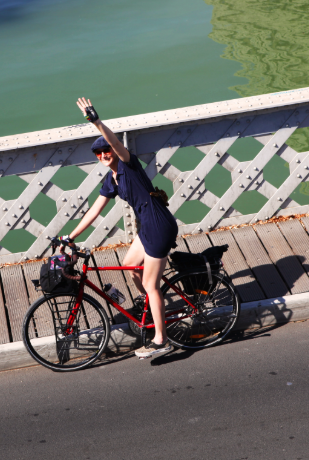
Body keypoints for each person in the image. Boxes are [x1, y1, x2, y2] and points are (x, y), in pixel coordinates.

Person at [64, 97, 179, 359]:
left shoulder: (129, 165)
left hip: (159, 225)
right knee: (130, 267)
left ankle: (162, 340)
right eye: (99, 153)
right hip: (147, 226)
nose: (104, 154)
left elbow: (115, 141)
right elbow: (94, 211)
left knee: (151, 284)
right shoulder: (111, 179)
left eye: (107, 151)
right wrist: (68, 236)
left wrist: (96, 121)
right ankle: (151, 306)